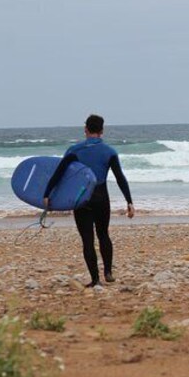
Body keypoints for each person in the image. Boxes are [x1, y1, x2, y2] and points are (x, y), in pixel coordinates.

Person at [43, 114, 135, 288]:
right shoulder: (110, 152)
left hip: (81, 199)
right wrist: (129, 201)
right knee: (103, 234)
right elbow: (120, 178)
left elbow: (59, 175)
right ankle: (108, 272)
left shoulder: (74, 150)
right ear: (102, 130)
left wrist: (47, 194)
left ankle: (95, 279)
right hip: (101, 198)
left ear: (85, 129)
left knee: (87, 239)